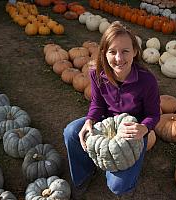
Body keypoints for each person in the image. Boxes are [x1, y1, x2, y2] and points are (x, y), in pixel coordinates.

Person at [63, 21, 160, 199]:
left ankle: (125, 180)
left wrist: (144, 128)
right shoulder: (96, 73)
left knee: (118, 187)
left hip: (132, 132)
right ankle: (84, 173)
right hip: (106, 124)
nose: (119, 58)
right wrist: (89, 120)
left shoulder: (147, 81)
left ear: (135, 52)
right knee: (71, 132)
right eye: (112, 52)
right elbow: (97, 104)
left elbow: (153, 115)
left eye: (125, 51)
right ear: (104, 53)